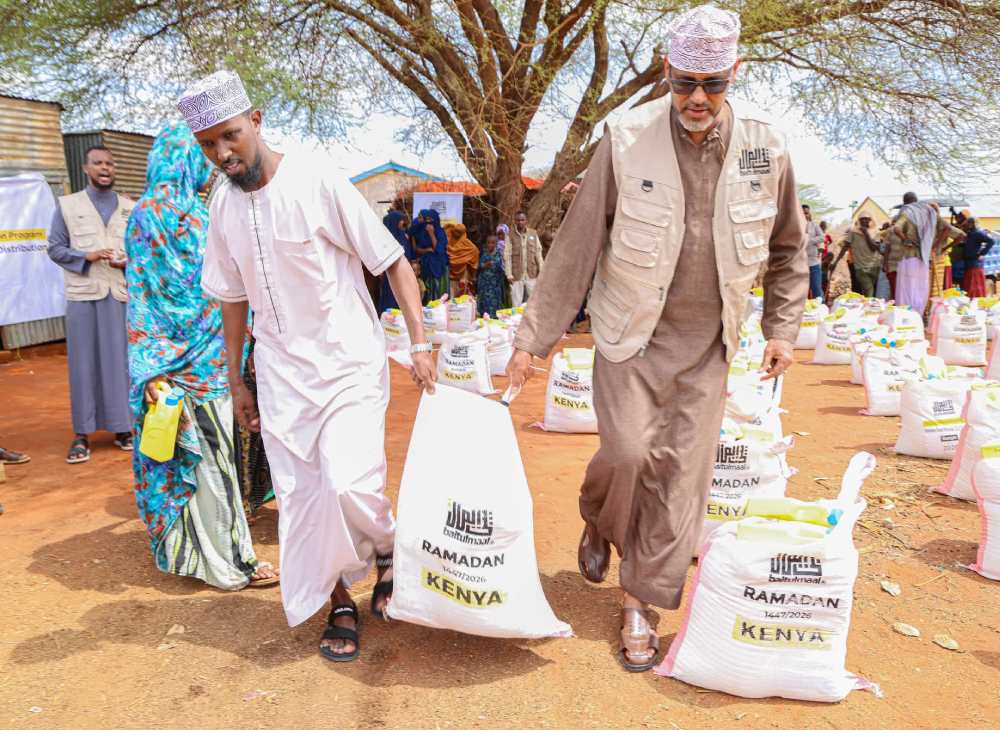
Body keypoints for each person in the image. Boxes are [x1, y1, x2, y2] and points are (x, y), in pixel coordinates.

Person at [505, 5, 806, 672]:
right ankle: (598, 515)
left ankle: (640, 601)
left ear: (735, 74)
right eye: (685, 82)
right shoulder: (625, 137)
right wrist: (536, 337)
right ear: (667, 72)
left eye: (714, 83)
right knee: (629, 452)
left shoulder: (767, 146)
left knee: (680, 482)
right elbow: (577, 249)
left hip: (709, 348)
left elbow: (788, 250)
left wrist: (781, 327)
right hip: (628, 337)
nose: (697, 99)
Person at [178, 69, 435, 662]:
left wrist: (419, 343)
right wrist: (236, 380)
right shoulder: (221, 207)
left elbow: (392, 260)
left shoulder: (317, 180)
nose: (223, 153)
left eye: (231, 136)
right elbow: (231, 297)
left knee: (349, 484)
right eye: (208, 144)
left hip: (347, 363)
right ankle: (339, 600)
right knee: (303, 499)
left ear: (257, 121)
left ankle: (387, 548)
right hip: (281, 378)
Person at [125, 122, 278, 590]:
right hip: (211, 360)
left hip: (163, 360)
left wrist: (149, 364)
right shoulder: (199, 213)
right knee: (215, 463)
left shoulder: (139, 215)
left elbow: (141, 298)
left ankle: (187, 552)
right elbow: (228, 288)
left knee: (181, 461)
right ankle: (231, 562)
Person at [47, 145, 134, 464]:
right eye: (98, 163)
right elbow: (55, 249)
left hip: (119, 295)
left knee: (120, 365)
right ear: (86, 169)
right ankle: (81, 434)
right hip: (83, 296)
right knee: (83, 365)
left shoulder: (129, 207)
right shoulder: (68, 206)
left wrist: (127, 262)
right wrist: (88, 256)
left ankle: (123, 428)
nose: (105, 168)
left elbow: (142, 252)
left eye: (110, 163)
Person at [893, 200, 965, 314]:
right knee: (924, 289)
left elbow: (961, 235)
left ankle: (929, 314)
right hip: (925, 260)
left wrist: (941, 248)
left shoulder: (938, 224)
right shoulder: (923, 225)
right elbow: (961, 235)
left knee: (929, 290)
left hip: (934, 260)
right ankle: (924, 314)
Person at [831, 215, 881, 297]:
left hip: (874, 266)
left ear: (870, 220)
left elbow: (874, 248)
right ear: (859, 221)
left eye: (866, 219)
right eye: (862, 219)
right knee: (864, 289)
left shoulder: (875, 232)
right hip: (857, 264)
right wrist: (835, 262)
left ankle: (868, 306)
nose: (864, 221)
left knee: (872, 290)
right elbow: (844, 246)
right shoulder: (853, 233)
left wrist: (866, 234)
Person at [503, 211, 544, 306]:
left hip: (532, 274)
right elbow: (507, 255)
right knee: (516, 303)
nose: (520, 222)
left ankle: (531, 320)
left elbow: (538, 253)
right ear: (515, 221)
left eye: (522, 220)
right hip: (516, 275)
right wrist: (509, 274)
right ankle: (516, 321)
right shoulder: (510, 235)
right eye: (518, 220)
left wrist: (542, 271)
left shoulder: (533, 234)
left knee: (534, 302)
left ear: (526, 221)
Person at [411, 209, 450, 303]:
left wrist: (431, 234)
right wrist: (427, 250)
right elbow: (417, 249)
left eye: (430, 219)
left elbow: (438, 249)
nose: (428, 222)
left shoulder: (440, 232)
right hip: (426, 267)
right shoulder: (421, 232)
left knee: (440, 294)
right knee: (427, 294)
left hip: (439, 267)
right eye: (426, 219)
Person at [380, 210, 413, 311]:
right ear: (393, 222)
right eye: (400, 220)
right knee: (390, 296)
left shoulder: (402, 235)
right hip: (390, 274)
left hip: (403, 273)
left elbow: (409, 253)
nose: (402, 223)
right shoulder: (384, 239)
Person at [959, 217, 996, 298]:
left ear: (973, 224)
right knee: (969, 286)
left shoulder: (978, 233)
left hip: (975, 264)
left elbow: (992, 241)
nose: (967, 225)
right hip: (969, 264)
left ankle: (976, 303)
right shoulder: (970, 233)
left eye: (969, 223)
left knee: (975, 286)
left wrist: (982, 253)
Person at [446, 222, 479, 298]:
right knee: (451, 295)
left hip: (463, 275)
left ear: (463, 233)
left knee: (462, 296)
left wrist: (472, 272)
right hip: (451, 274)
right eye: (455, 231)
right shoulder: (449, 240)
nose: (456, 233)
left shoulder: (467, 243)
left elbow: (475, 251)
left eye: (459, 232)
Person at [477, 234, 505, 316]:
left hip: (494, 284)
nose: (490, 244)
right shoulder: (484, 254)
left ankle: (494, 318)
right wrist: (484, 265)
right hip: (484, 284)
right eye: (488, 242)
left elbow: (502, 268)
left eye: (492, 243)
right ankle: (484, 317)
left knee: (494, 303)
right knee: (484, 302)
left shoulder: (499, 254)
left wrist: (494, 265)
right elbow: (479, 265)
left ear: (496, 243)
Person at [803, 204, 824, 299]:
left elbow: (822, 237)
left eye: (806, 213)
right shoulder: (794, 226)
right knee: (800, 291)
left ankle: (822, 310)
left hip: (813, 263)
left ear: (809, 214)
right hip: (798, 264)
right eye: (802, 213)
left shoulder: (814, 225)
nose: (804, 215)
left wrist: (809, 240)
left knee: (816, 290)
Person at [882, 219, 905, 301]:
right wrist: (885, 264)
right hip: (892, 265)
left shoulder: (910, 230)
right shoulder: (890, 231)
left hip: (906, 265)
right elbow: (887, 248)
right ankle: (896, 309)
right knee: (894, 289)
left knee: (903, 291)